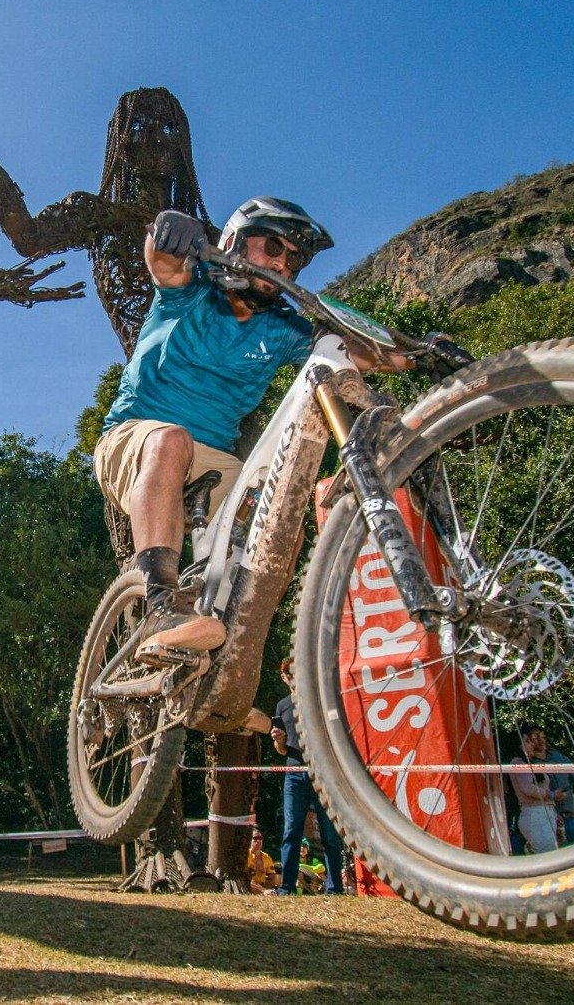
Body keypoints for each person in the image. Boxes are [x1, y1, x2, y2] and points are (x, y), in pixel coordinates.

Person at [92, 199, 411, 666]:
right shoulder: (192, 289)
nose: (283, 263)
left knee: (280, 519)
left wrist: (417, 353)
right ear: (235, 242)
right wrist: (168, 229)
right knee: (171, 440)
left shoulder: (282, 327)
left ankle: (231, 655)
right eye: (273, 247)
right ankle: (161, 608)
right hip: (135, 439)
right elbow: (162, 262)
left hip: (215, 462)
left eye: (294, 259)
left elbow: (364, 355)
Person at [268, 656, 346, 895]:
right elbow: (282, 751)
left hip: (322, 773)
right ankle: (286, 888)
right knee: (291, 830)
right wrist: (278, 742)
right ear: (284, 678)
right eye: (289, 674)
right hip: (294, 773)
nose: (294, 677)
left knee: (330, 833)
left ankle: (334, 889)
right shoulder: (282, 706)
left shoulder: (320, 699)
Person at [510, 725, 558, 854]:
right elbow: (527, 788)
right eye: (527, 741)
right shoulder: (517, 763)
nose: (531, 744)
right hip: (534, 813)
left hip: (546, 812)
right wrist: (551, 795)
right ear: (519, 746)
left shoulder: (531, 765)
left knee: (551, 851)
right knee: (548, 854)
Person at [544, 738, 574, 844]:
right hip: (549, 821)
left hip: (570, 816)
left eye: (542, 736)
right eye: (535, 737)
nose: (539, 740)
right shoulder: (527, 762)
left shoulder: (558, 757)